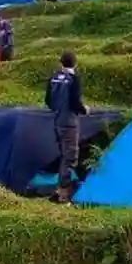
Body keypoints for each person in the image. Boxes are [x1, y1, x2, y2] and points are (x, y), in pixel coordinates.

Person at [44, 52, 88, 203]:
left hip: (57, 121)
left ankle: (59, 189)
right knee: (70, 157)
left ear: (61, 63)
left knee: (63, 155)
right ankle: (63, 193)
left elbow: (48, 100)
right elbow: (75, 102)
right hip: (69, 122)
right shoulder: (74, 80)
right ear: (75, 64)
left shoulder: (54, 78)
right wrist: (84, 110)